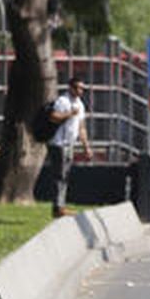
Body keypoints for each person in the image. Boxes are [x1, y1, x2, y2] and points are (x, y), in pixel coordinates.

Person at [47, 77, 93, 218]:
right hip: (58, 143)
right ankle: (58, 208)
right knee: (60, 175)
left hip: (70, 145)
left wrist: (86, 147)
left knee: (65, 176)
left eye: (82, 89)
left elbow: (81, 127)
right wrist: (69, 114)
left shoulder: (80, 104)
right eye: (78, 88)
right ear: (71, 88)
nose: (80, 91)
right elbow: (53, 117)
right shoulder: (62, 101)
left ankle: (61, 205)